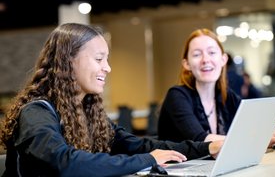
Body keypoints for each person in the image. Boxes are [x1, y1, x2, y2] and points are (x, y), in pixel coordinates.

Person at [0, 23, 223, 177]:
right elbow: (65, 164)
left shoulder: (87, 110)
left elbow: (141, 145)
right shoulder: (36, 113)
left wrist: (206, 147)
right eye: (99, 59)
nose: (107, 68)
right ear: (68, 61)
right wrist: (148, 160)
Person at [157, 28, 275, 146]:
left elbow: (254, 125)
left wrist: (272, 131)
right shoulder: (177, 96)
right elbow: (200, 140)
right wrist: (260, 138)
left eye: (212, 53)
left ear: (223, 59)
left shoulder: (226, 96)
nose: (205, 59)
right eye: (197, 54)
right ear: (186, 64)